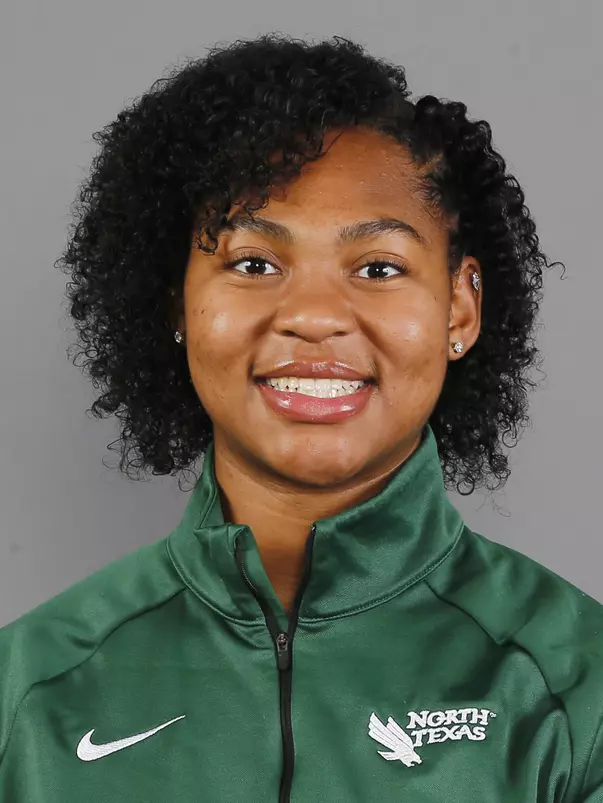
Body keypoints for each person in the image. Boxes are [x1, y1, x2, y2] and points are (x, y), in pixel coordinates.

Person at [0, 32, 601, 803]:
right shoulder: (30, 694)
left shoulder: (577, 691)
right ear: (176, 301)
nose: (315, 316)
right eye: (253, 263)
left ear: (459, 306)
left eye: (378, 267)